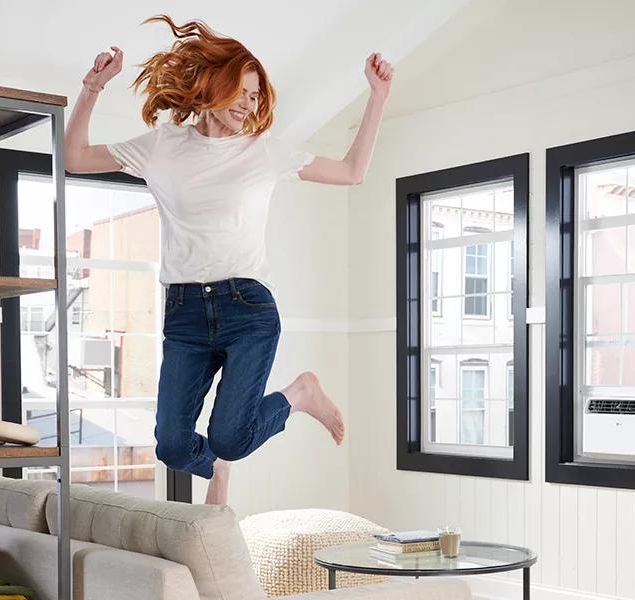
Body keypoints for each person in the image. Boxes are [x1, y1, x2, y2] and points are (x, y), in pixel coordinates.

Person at [64, 15, 393, 505]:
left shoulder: (263, 153)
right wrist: (92, 89)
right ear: (213, 86)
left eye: (256, 96)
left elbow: (351, 171)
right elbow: (74, 157)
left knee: (231, 437)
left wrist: (377, 97)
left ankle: (299, 395)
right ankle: (215, 465)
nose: (249, 104)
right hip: (185, 313)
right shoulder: (161, 146)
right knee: (173, 447)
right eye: (242, 92)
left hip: (248, 309)